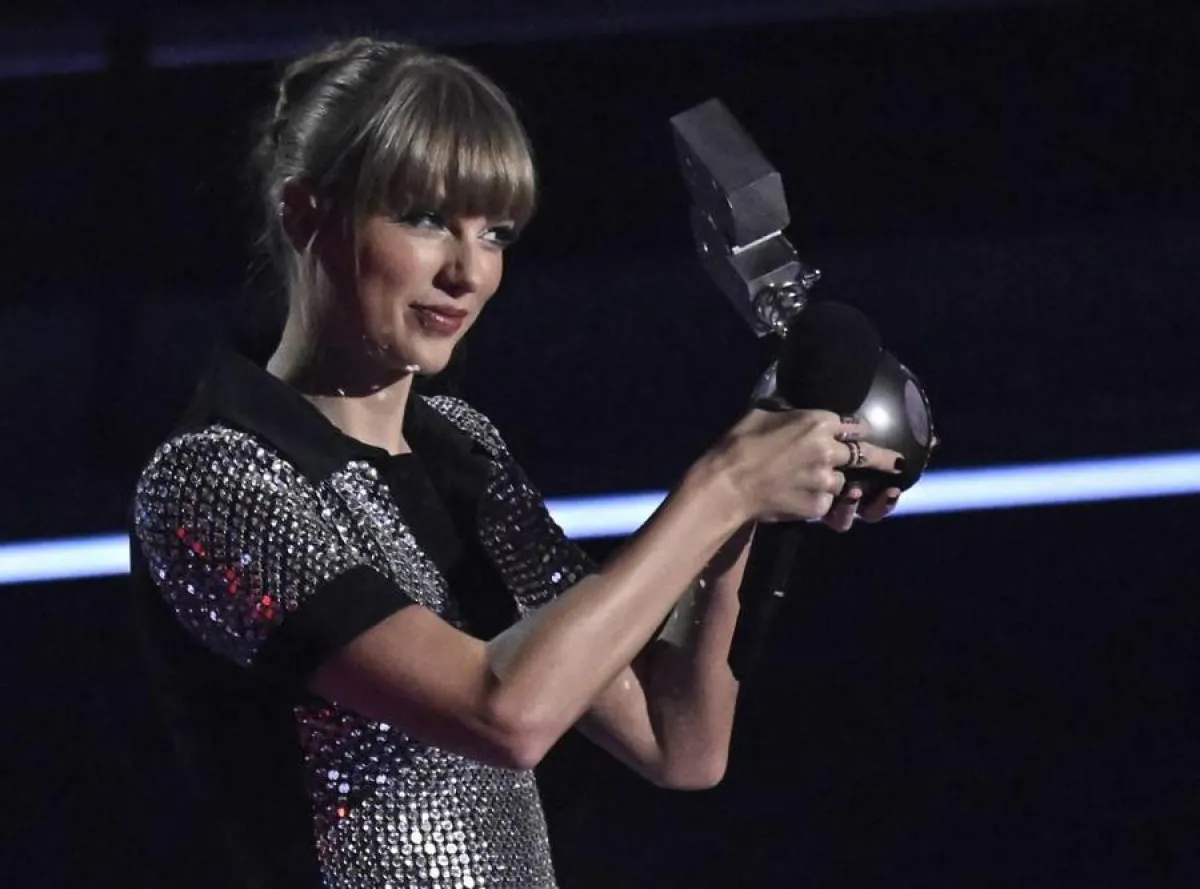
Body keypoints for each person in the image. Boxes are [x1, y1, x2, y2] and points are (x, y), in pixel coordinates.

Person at [129, 36, 904, 889]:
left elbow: (679, 741)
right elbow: (506, 712)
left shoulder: (464, 452)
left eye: (493, 232)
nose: (467, 271)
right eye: (424, 218)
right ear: (306, 214)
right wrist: (721, 487)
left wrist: (748, 515)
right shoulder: (217, 479)